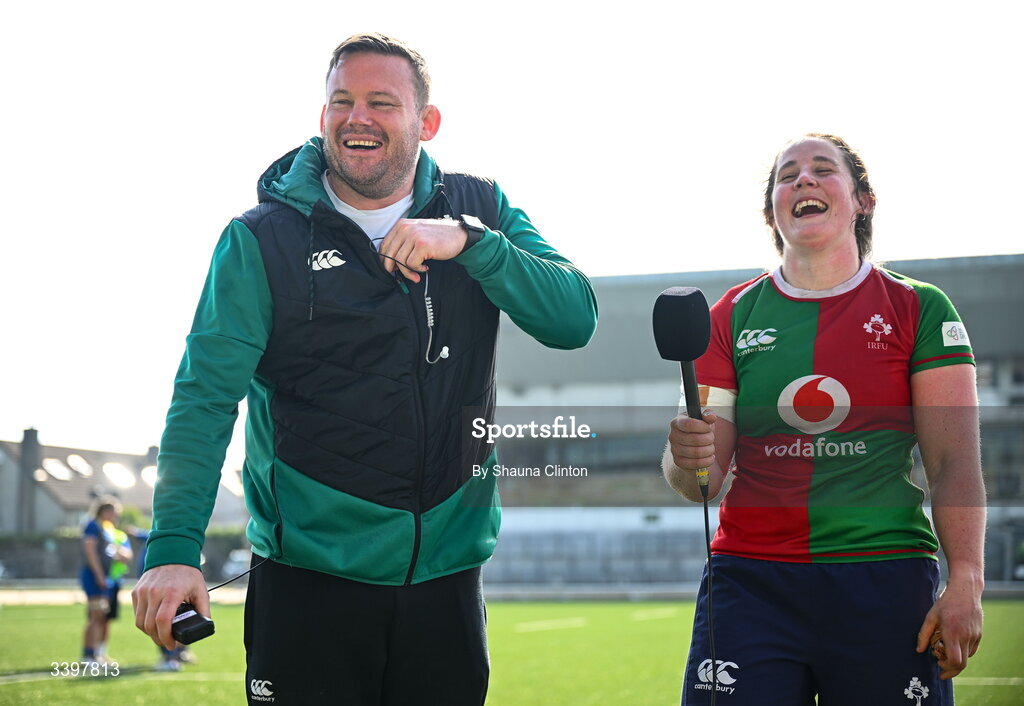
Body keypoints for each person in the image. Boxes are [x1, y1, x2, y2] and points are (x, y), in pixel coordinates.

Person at [132, 32, 597, 705]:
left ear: (425, 123)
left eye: (382, 102)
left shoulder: (483, 209)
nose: (358, 118)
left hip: (445, 582)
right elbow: (204, 399)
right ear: (322, 116)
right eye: (341, 101)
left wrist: (471, 245)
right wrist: (175, 548)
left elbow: (574, 319)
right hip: (309, 583)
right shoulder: (261, 238)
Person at [662, 134, 984, 705]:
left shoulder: (920, 308)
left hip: (884, 577)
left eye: (821, 169)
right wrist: (685, 459)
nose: (803, 180)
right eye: (788, 175)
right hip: (751, 582)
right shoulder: (730, 316)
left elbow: (954, 463)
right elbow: (700, 480)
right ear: (771, 212)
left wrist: (966, 582)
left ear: (863, 199)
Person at [80, 497, 131, 665]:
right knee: (95, 615)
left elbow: (111, 552)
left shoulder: (109, 530)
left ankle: (98, 654)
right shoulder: (93, 525)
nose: (116, 516)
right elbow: (90, 552)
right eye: (114, 512)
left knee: (103, 617)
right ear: (105, 511)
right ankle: (88, 655)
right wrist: (99, 575)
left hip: (107, 578)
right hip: (94, 576)